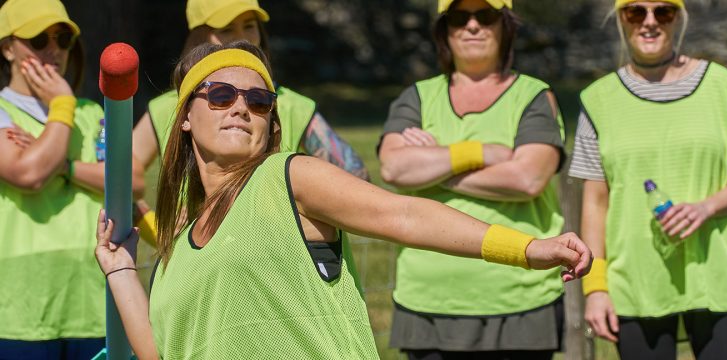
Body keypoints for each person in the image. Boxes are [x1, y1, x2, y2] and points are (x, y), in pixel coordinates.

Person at [94, 41, 591, 359]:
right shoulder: (180, 237)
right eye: (221, 95)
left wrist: (528, 249)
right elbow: (160, 351)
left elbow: (404, 215)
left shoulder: (289, 178)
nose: (241, 108)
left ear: (272, 120)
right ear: (184, 116)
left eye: (259, 100)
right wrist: (119, 270)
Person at [571, 1, 727, 359]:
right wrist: (595, 288)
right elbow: (594, 203)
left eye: (662, 11)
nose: (649, 22)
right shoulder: (597, 100)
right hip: (635, 282)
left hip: (718, 278)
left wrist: (707, 207)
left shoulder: (725, 87)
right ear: (621, 19)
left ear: (677, 18)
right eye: (636, 12)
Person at [378, 0, 569, 358]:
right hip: (427, 300)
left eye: (486, 15)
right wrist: (479, 152)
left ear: (505, 26)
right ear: (444, 30)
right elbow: (393, 169)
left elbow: (527, 178)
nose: (472, 26)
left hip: (519, 298)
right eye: (458, 17)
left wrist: (435, 171)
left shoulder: (533, 96)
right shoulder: (417, 97)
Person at [0, 0, 144, 358]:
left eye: (62, 38)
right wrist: (62, 105)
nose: (54, 50)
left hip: (92, 301)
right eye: (38, 39)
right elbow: (29, 173)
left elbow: (134, 178)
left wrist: (64, 167)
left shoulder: (92, 111)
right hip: (22, 309)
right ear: (6, 48)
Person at [132, 0, 368, 181]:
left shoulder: (291, 105)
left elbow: (357, 176)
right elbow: (118, 180)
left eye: (249, 26)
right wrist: (157, 227)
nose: (242, 38)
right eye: (226, 29)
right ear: (199, 37)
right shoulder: (167, 108)